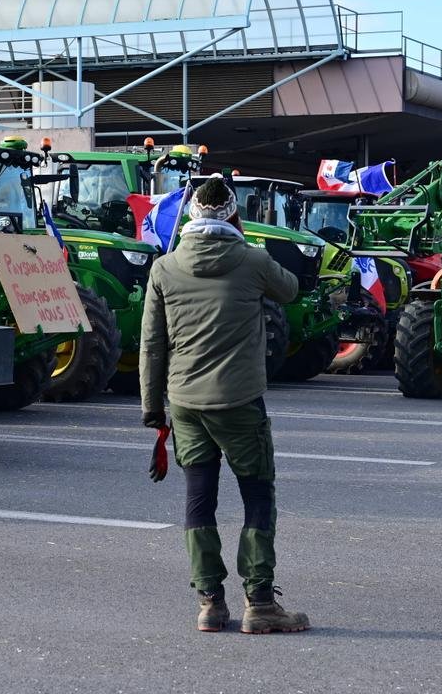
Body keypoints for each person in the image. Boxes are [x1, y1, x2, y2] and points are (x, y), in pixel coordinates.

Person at [139, 175, 309, 634]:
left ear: (191, 216)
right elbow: (290, 289)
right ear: (234, 215)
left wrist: (153, 408)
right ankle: (259, 603)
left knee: (199, 499)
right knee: (256, 496)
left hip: (186, 403)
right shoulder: (252, 261)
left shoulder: (164, 268)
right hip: (239, 402)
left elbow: (152, 345)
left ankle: (210, 603)